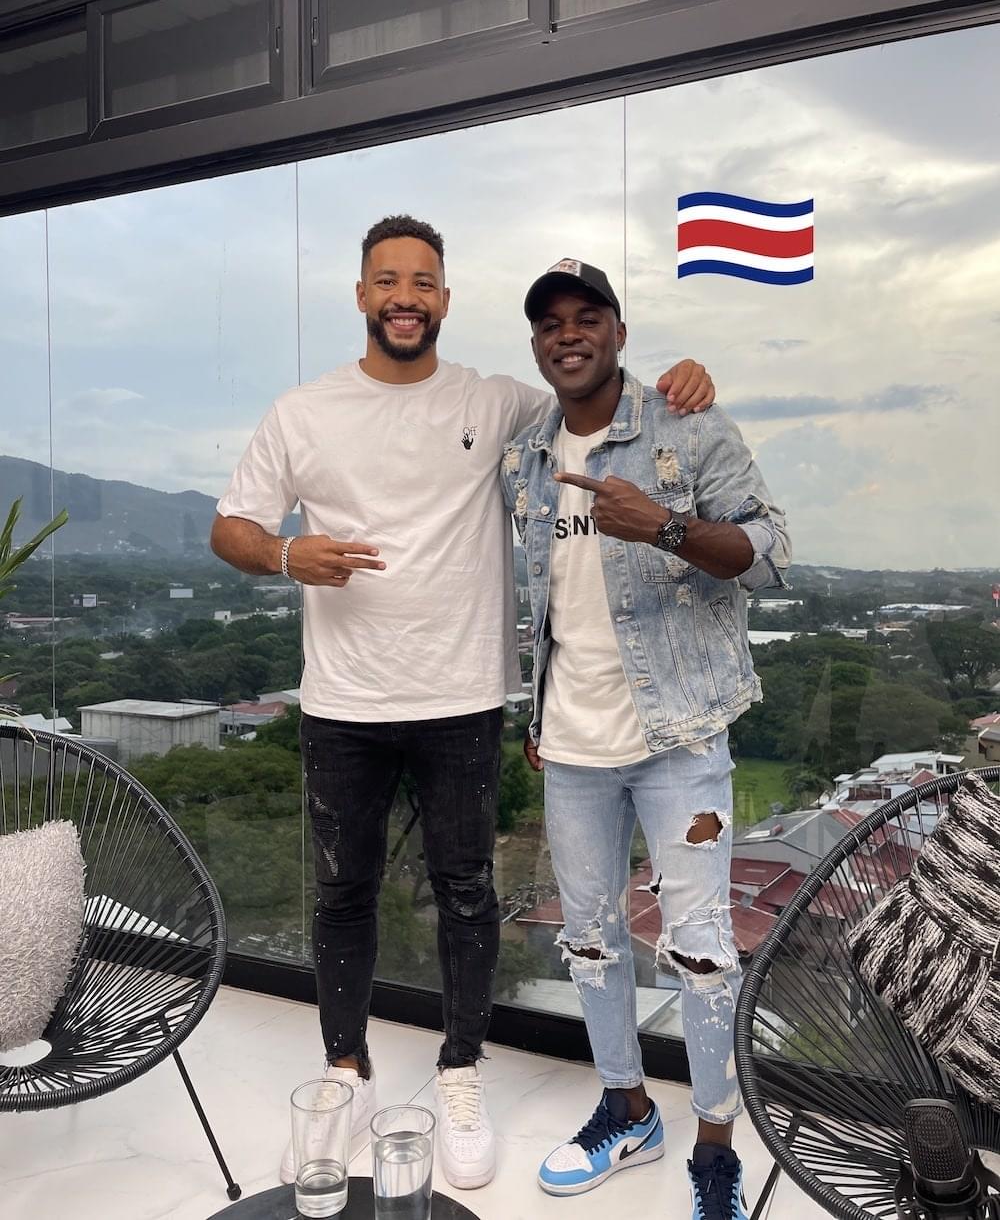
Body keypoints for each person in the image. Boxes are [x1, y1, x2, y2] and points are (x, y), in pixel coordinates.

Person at [209, 217, 716, 1190]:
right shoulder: (302, 412)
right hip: (343, 699)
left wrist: (681, 380)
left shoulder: (495, 400)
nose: (405, 296)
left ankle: (460, 1067)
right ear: (362, 295)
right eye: (387, 280)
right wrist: (283, 552)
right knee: (342, 892)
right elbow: (230, 524)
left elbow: (598, 398)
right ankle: (346, 1070)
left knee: (468, 891)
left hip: (462, 697)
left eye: (423, 281)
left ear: (444, 298)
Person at [499, 258, 790, 1218]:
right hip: (571, 745)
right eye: (551, 322)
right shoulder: (526, 454)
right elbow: (544, 603)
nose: (568, 333)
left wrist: (664, 527)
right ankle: (627, 1109)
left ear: (619, 333)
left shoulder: (687, 424)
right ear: (537, 343)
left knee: (701, 948)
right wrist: (537, 712)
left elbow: (770, 554)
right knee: (590, 940)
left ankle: (715, 1147)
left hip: (679, 738)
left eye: (588, 316)